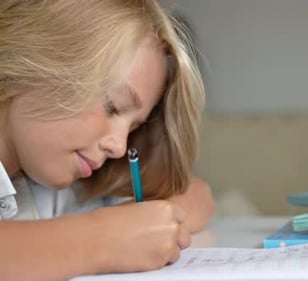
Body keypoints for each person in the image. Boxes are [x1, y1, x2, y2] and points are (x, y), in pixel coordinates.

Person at [0, 1, 215, 280]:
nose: (119, 146)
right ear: (32, 59)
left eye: (134, 127)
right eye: (113, 107)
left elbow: (197, 195)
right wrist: (102, 241)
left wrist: (158, 221)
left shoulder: (47, 188)